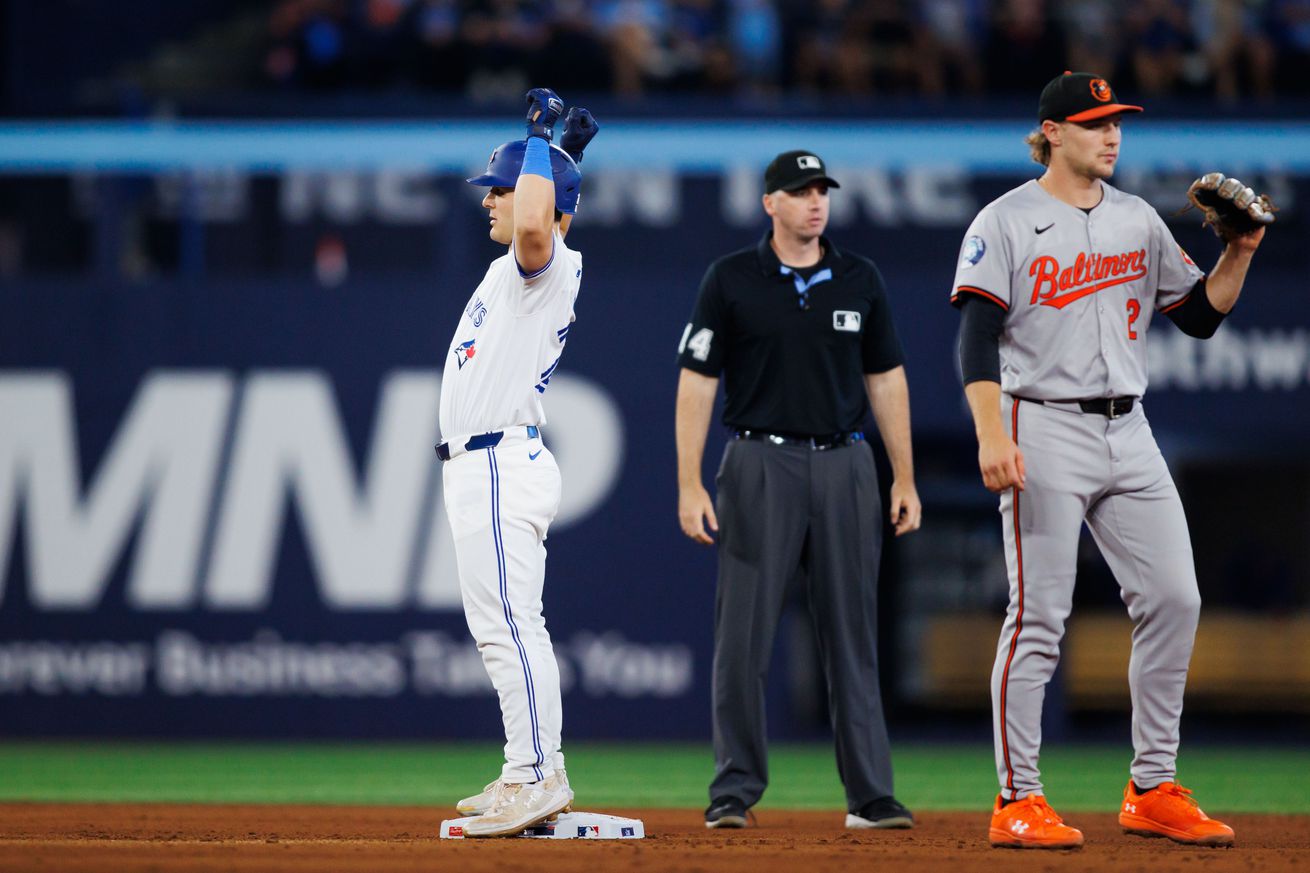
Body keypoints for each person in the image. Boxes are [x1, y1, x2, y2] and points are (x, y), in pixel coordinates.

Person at [951, 71, 1264, 849]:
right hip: (1041, 421)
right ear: (1052, 132)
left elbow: (1195, 318)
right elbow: (976, 336)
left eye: (1118, 121)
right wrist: (991, 431)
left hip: (1130, 428)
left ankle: (1152, 786)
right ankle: (1016, 797)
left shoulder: (1136, 218)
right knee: (1039, 617)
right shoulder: (1008, 219)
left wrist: (1242, 250)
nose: (1112, 134)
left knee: (1175, 597)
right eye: (1095, 123)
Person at [676, 149, 922, 831]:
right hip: (760, 460)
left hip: (846, 463)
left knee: (852, 635)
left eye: (822, 190)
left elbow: (887, 380)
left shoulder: (858, 278)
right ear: (769, 203)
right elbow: (696, 382)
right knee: (743, 637)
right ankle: (733, 791)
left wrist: (902, 474)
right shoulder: (731, 278)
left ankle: (871, 796)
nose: (816, 201)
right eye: (799, 190)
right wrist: (689, 480)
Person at [436, 87, 598, 838]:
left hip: (500, 460)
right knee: (502, 624)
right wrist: (563, 152)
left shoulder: (544, 260)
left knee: (510, 625)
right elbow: (544, 210)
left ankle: (537, 771)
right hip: (484, 463)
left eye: (497, 188)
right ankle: (525, 765)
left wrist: (537, 142)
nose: (490, 202)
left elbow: (540, 219)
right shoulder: (522, 268)